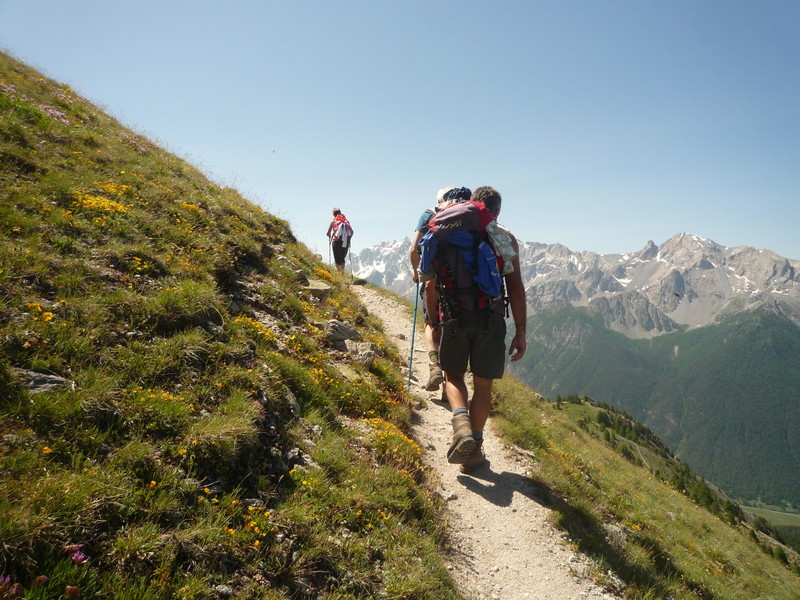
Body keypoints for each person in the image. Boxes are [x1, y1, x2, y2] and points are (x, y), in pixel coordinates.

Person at [423, 186, 527, 473]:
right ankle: (475, 449)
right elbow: (515, 289)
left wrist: (433, 319)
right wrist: (521, 332)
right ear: (495, 212)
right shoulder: (504, 238)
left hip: (453, 315)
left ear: (471, 205)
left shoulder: (444, 235)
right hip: (490, 318)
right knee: (483, 385)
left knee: (453, 375)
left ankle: (460, 426)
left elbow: (430, 284)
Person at [409, 186, 472, 391]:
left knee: (431, 323)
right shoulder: (469, 216)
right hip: (461, 284)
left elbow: (413, 248)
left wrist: (416, 271)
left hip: (433, 281)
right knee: (451, 330)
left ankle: (433, 365)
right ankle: (448, 389)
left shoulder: (429, 214)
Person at [326, 208, 353, 274]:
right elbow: (351, 232)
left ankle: (340, 275)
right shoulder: (346, 221)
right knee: (342, 258)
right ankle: (342, 273)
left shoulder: (333, 221)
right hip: (345, 242)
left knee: (337, 260)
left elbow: (328, 233)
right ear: (340, 213)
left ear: (333, 214)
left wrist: (330, 235)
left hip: (336, 242)